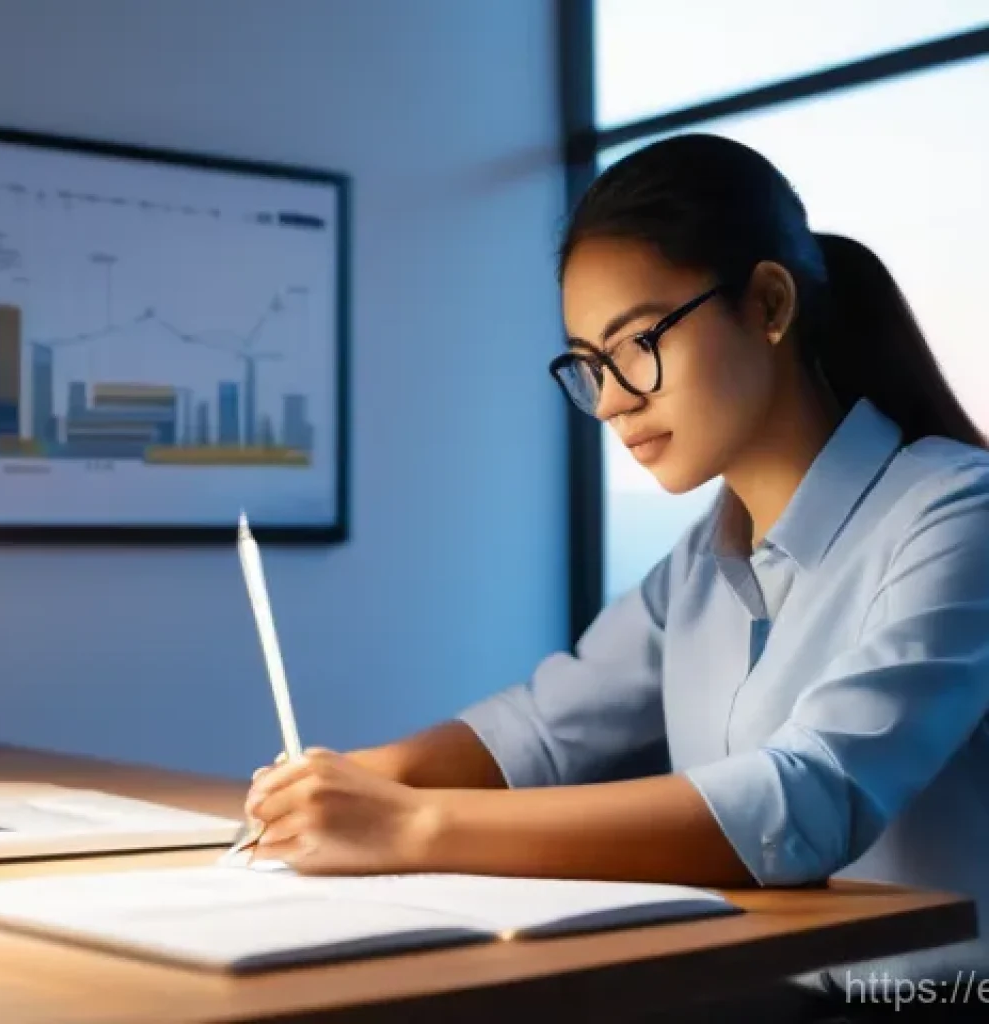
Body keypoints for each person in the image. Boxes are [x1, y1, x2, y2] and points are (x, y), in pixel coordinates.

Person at [242, 134, 989, 1019]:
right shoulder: (702, 563)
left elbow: (807, 800)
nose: (610, 401)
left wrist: (407, 825)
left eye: (639, 342)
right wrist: (359, 776)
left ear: (769, 304)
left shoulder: (956, 511)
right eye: (590, 365)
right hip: (758, 992)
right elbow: (542, 731)